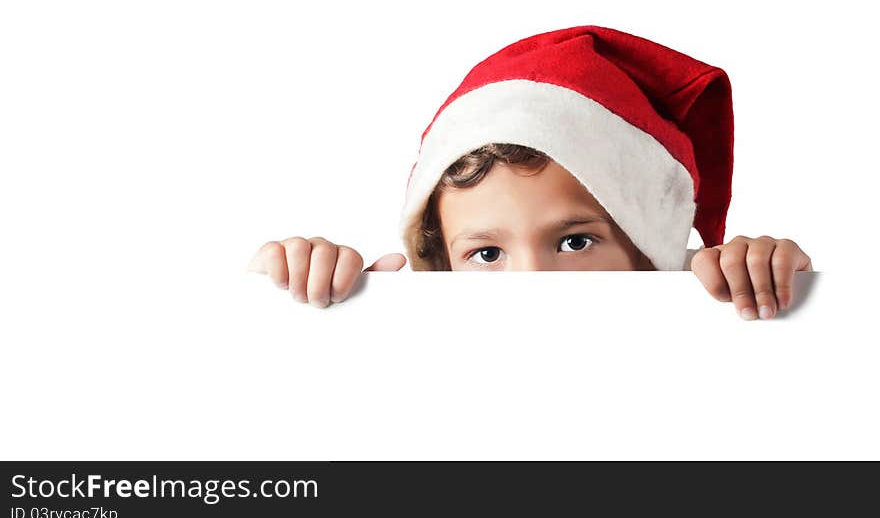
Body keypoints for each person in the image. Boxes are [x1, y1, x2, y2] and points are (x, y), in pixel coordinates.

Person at [248, 25, 812, 320]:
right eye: (487, 254)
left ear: (649, 252)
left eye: (573, 241)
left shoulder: (699, 300)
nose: (532, 282)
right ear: (440, 267)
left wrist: (763, 277)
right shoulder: (414, 335)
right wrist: (299, 289)